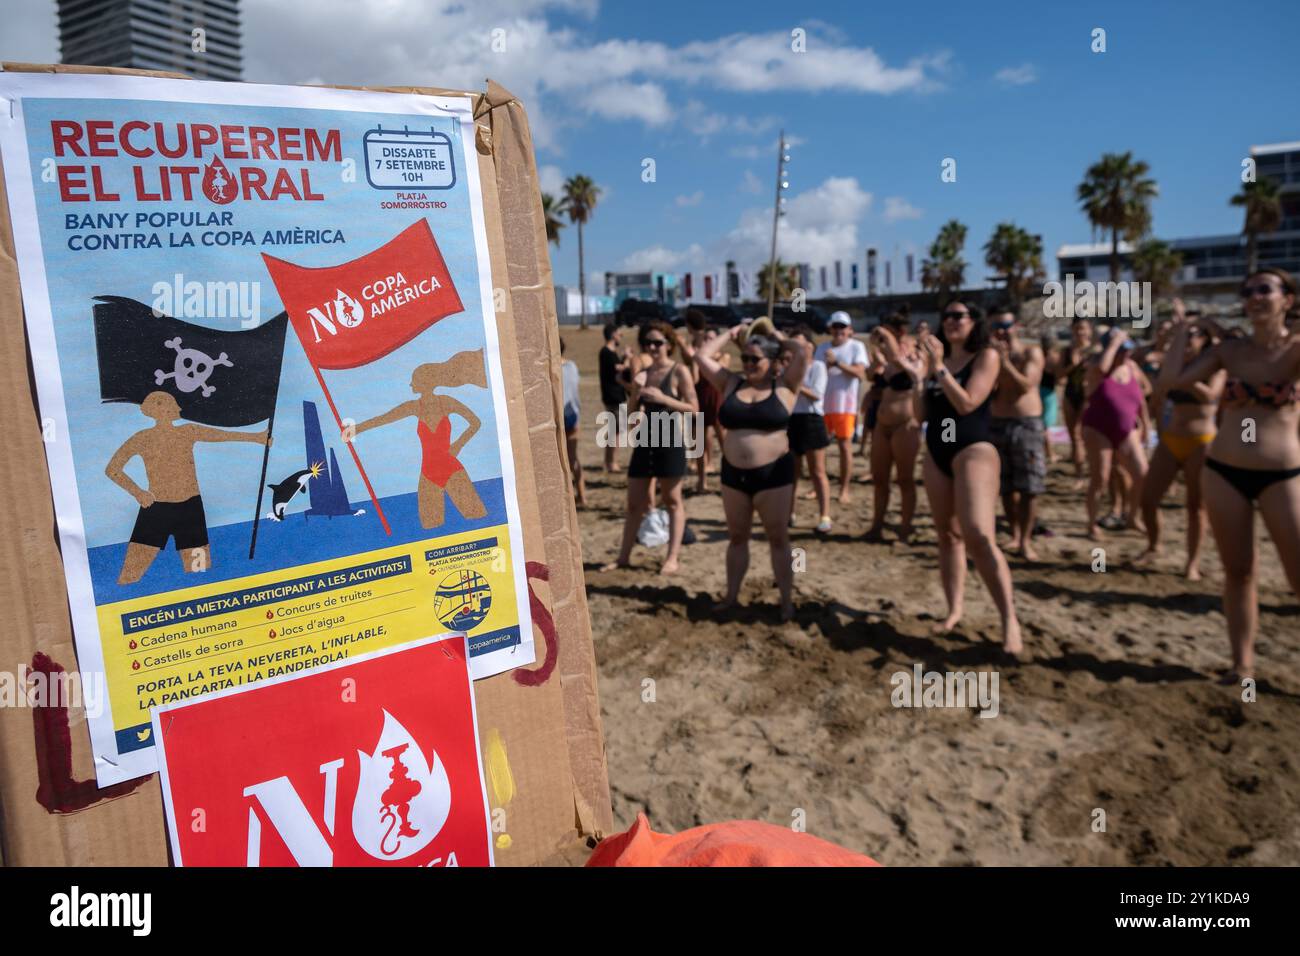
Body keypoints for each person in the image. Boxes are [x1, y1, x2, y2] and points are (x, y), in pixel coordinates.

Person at [1161, 268, 1300, 682]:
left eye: (1264, 289)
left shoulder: (1295, 349)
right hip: (1224, 470)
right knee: (1238, 572)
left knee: (1297, 577)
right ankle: (1243, 666)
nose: (1254, 296)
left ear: (1287, 300)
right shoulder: (1230, 351)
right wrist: (1185, 332)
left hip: (1283, 472)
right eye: (1247, 290)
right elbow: (1171, 382)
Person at [904, 302, 1022, 652]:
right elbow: (922, 413)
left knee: (979, 535)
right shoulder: (934, 364)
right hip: (938, 448)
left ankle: (1009, 619)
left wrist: (938, 367)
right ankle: (954, 610)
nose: (951, 321)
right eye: (947, 316)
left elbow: (968, 403)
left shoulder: (986, 356)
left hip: (973, 447)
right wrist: (917, 380)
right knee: (947, 537)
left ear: (974, 322)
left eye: (959, 316)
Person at [695, 319, 807, 621]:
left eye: (754, 359)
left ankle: (786, 601)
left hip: (774, 476)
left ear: (772, 361)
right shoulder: (731, 382)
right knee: (736, 537)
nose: (747, 364)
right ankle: (731, 596)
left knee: (778, 538)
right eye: (744, 357)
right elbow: (701, 356)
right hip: (733, 475)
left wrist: (778, 336)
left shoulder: (786, 386)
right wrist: (729, 333)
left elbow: (804, 351)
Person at [107, 391, 271, 585]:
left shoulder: (188, 431)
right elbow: (112, 469)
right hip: (155, 510)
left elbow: (222, 435)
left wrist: (257, 438)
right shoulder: (142, 438)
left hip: (190, 510)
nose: (178, 407)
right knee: (130, 574)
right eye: (172, 404)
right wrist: (138, 492)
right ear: (158, 410)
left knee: (199, 574)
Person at [600, 320, 698, 574]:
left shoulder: (679, 372)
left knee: (672, 500)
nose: (653, 347)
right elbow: (632, 413)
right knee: (634, 503)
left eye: (658, 342)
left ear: (669, 344)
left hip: (670, 440)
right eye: (647, 343)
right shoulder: (644, 374)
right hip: (645, 441)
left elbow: (694, 407)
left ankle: (672, 557)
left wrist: (664, 398)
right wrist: (637, 389)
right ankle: (623, 558)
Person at [1137, 305, 1224, 578]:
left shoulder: (1215, 365)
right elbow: (1162, 387)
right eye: (1188, 336)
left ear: (1206, 340)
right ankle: (1154, 546)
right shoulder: (1176, 364)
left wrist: (1186, 378)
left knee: (1196, 507)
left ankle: (1192, 563)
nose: (1190, 340)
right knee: (1148, 500)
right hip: (1171, 438)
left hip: (1203, 440)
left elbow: (1210, 397)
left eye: (1195, 335)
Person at [352, 361, 488, 530]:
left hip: (452, 470)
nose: (411, 384)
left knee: (478, 519)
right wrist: (356, 429)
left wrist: (458, 445)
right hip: (428, 474)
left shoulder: (446, 402)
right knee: (431, 527)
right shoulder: (414, 407)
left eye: (414, 380)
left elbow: (475, 422)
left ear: (425, 382)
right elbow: (383, 419)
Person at [1080, 328, 1150, 540]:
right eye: (1121, 349)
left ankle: (1131, 517)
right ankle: (1092, 525)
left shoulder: (1132, 367)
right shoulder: (1096, 366)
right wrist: (1114, 343)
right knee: (1100, 478)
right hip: (1097, 428)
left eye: (1128, 349)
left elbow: (1143, 395)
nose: (1126, 353)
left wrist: (1145, 424)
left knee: (1142, 474)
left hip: (1126, 429)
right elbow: (1102, 368)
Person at [988, 307, 1046, 560]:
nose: (1002, 331)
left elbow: (1026, 385)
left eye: (1006, 325)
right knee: (1005, 487)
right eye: (996, 327)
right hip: (998, 423)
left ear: (1016, 326)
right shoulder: (991, 355)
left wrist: (1005, 363)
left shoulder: (1030, 352)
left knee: (1030, 486)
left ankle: (1025, 539)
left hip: (1026, 423)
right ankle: (1014, 535)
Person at [864, 312, 922, 543]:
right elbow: (870, 376)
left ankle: (905, 528)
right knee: (880, 479)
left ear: (899, 332)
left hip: (905, 424)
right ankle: (876, 525)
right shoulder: (886, 356)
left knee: (905, 479)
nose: (882, 337)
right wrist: (877, 361)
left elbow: (909, 370)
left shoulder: (914, 351)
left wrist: (888, 348)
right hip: (882, 424)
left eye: (886, 332)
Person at [815, 311, 869, 504]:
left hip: (845, 404)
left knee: (844, 447)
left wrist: (837, 362)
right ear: (830, 328)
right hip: (821, 405)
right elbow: (816, 374)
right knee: (818, 449)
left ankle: (844, 488)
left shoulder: (857, 347)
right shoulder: (822, 348)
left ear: (850, 330)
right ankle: (819, 486)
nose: (839, 331)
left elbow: (860, 373)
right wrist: (827, 366)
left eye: (842, 327)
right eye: (836, 326)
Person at [784, 325, 832, 533]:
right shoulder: (787, 368)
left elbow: (816, 394)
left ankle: (825, 515)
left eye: (801, 343)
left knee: (817, 471)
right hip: (792, 419)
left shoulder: (817, 367)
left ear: (810, 345)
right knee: (792, 473)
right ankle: (789, 513)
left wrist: (795, 383)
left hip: (812, 420)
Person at [679, 311, 728, 493]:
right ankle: (701, 481)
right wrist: (693, 359)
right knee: (698, 442)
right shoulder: (694, 352)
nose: (707, 341)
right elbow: (695, 378)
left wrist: (698, 359)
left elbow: (721, 371)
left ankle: (730, 476)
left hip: (715, 397)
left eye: (711, 339)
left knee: (723, 440)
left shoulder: (722, 357)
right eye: (706, 338)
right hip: (698, 396)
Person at [1060, 317, 1095, 484]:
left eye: (1083, 328)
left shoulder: (1096, 351)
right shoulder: (1067, 351)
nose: (1080, 332)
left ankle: (1087, 470)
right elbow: (1059, 376)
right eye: (1077, 328)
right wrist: (1073, 365)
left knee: (1080, 434)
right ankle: (1079, 473)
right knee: (1073, 435)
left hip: (1089, 396)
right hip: (1070, 393)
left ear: (1090, 330)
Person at [599, 323, 629, 473]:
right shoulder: (606, 352)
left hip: (617, 396)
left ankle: (609, 461)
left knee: (615, 430)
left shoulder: (611, 353)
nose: (620, 336)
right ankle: (611, 463)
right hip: (613, 397)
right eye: (619, 333)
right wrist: (628, 359)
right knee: (616, 431)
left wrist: (623, 357)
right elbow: (618, 368)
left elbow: (617, 366)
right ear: (612, 335)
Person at [560, 338, 587, 507]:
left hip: (559, 417)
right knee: (573, 459)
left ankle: (569, 499)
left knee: (562, 462)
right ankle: (582, 496)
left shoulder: (550, 369)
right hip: (573, 415)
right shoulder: (572, 366)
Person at [1039, 333, 1061, 466]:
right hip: (1048, 393)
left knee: (1041, 424)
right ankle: (1050, 454)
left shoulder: (1039, 355)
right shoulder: (1054, 358)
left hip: (1039, 390)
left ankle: (1046, 452)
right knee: (1045, 426)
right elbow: (1059, 378)